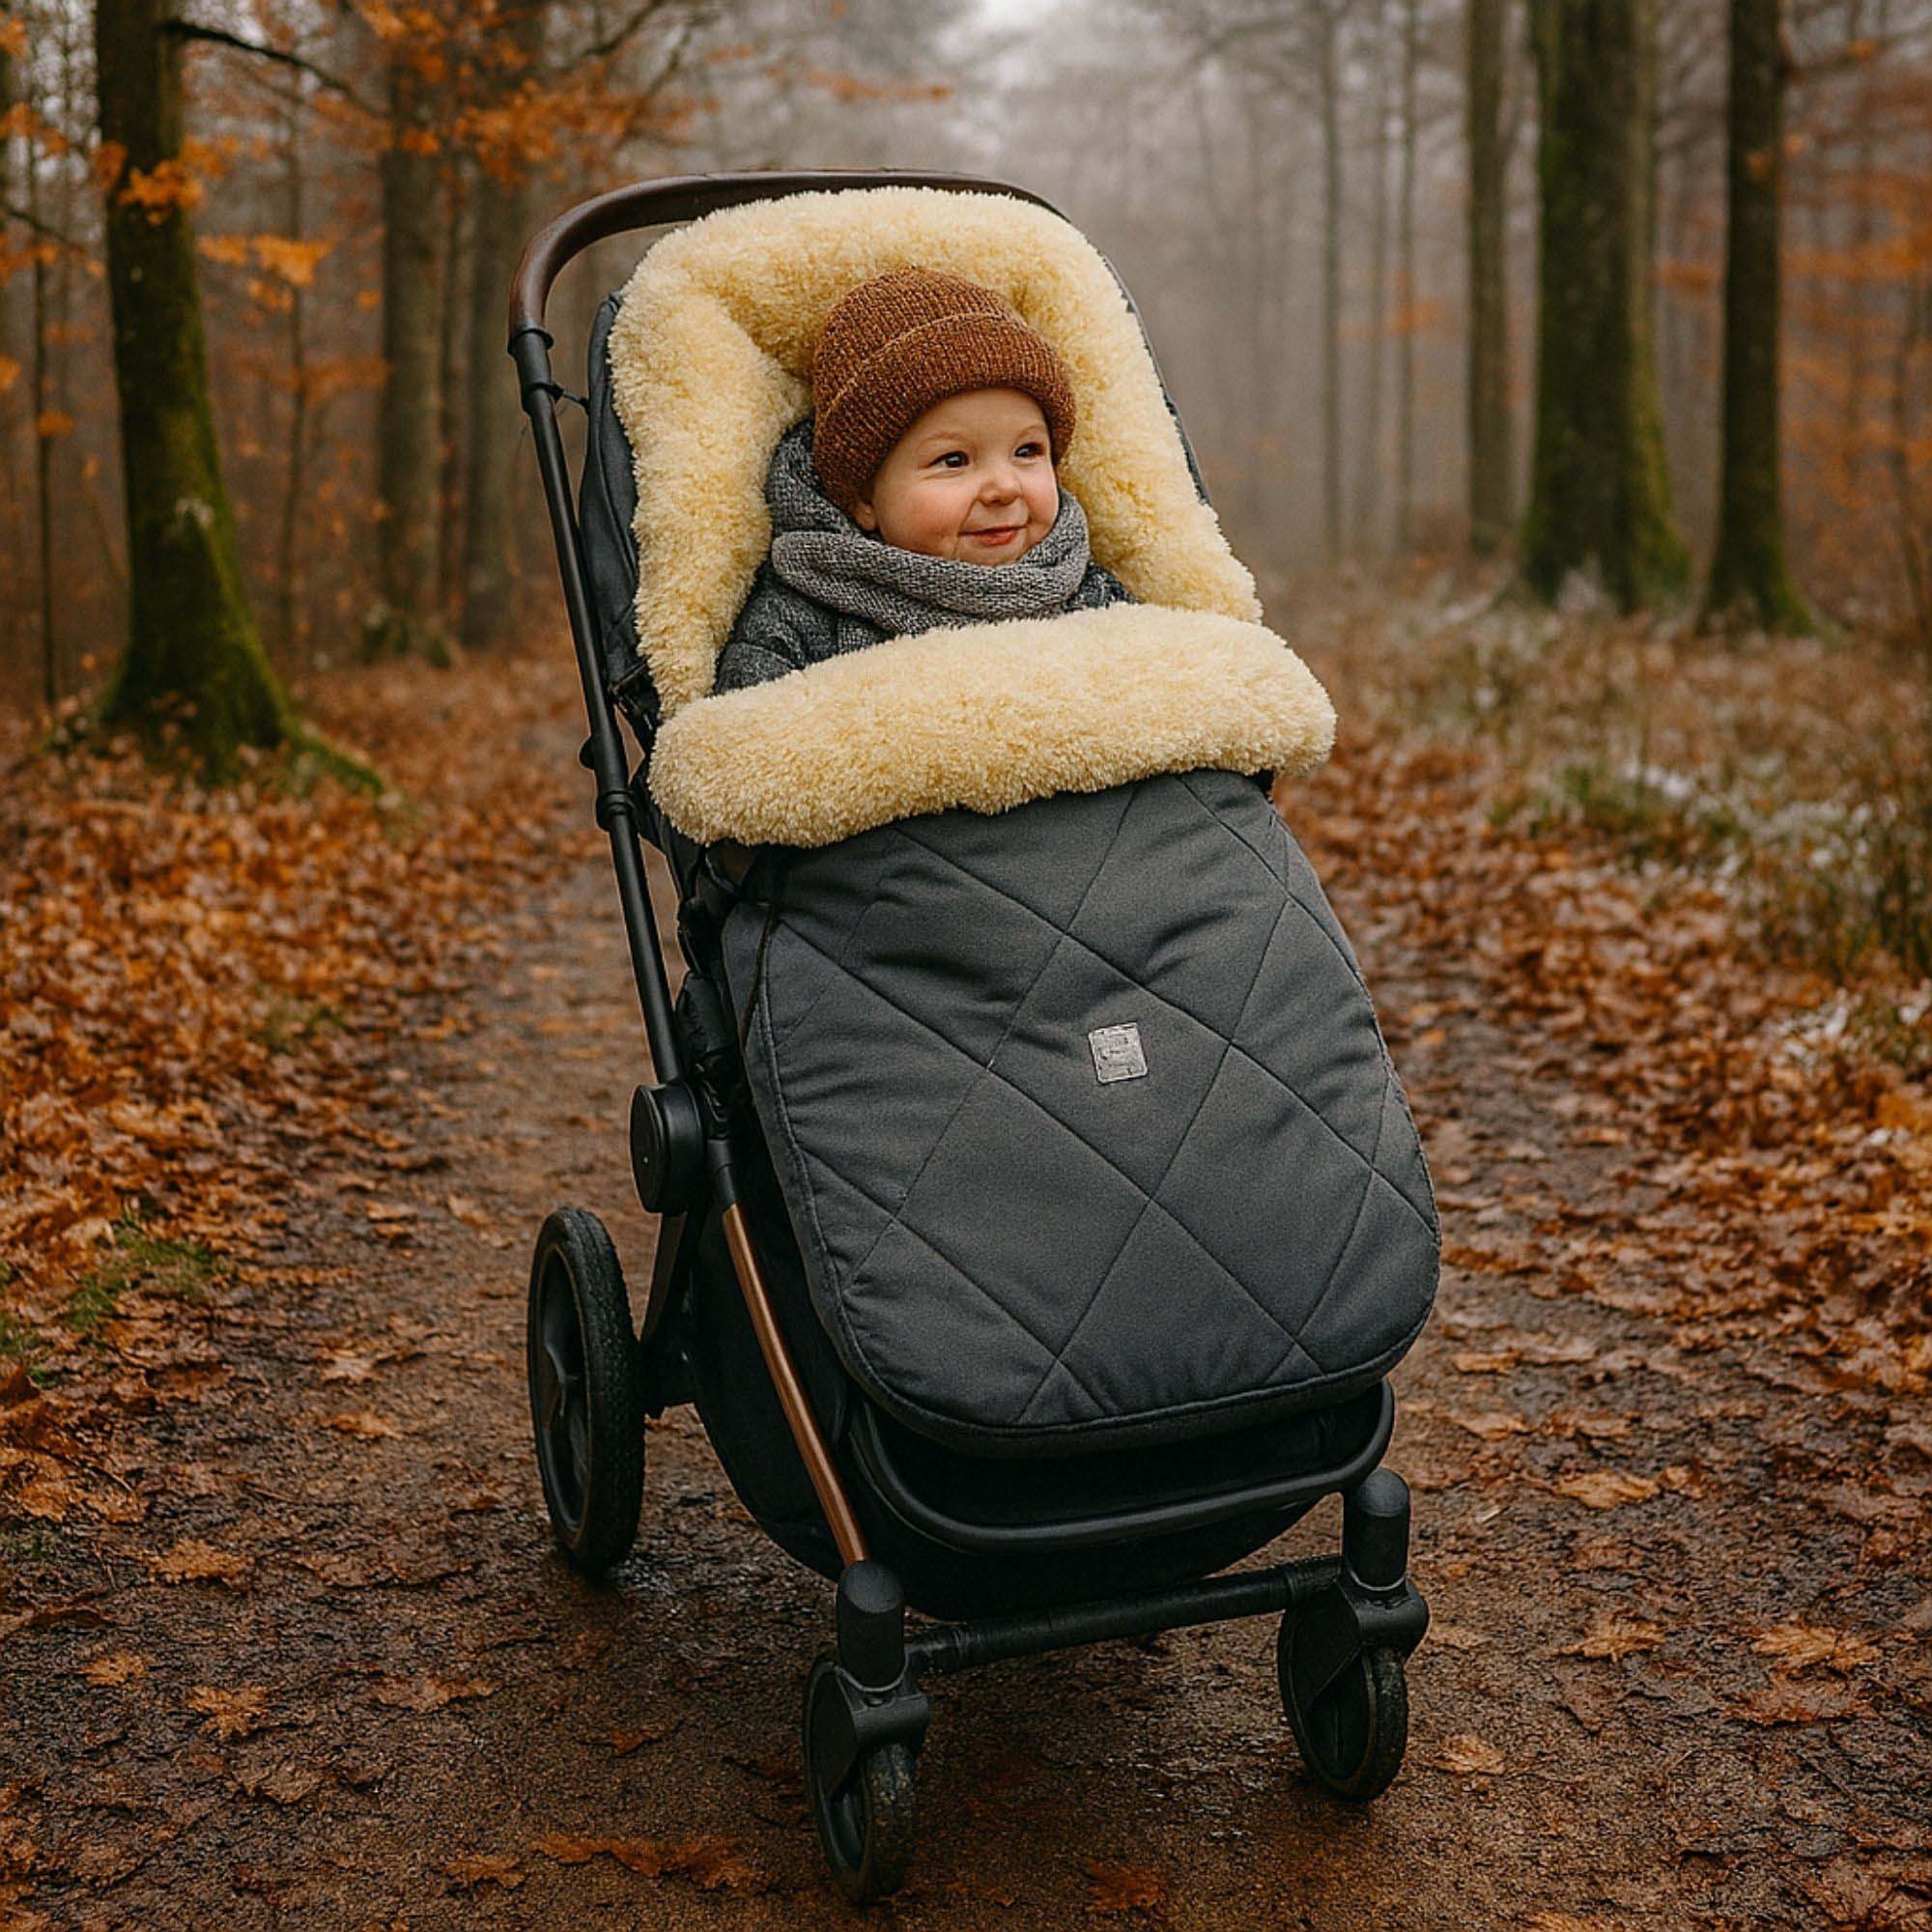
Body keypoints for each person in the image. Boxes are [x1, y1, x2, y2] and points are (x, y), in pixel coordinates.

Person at [711, 267, 1129, 695]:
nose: (1004, 487)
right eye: (953, 460)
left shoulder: (1092, 598)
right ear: (865, 499)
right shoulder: (802, 623)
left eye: (1027, 452)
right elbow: (749, 742)